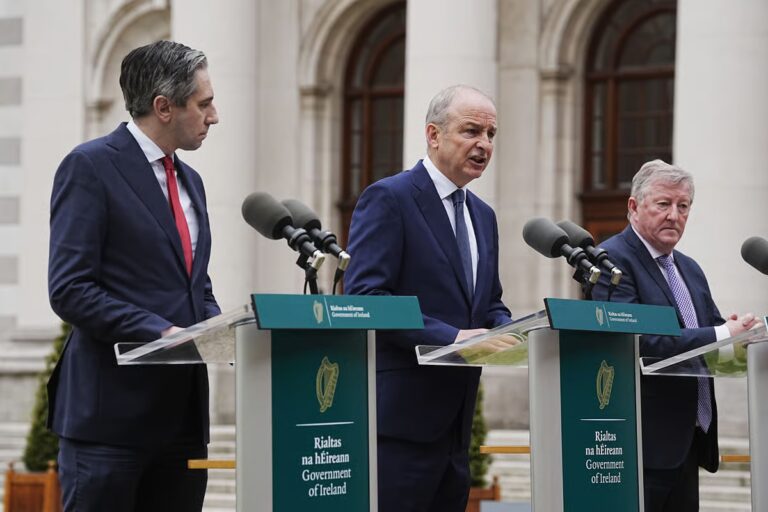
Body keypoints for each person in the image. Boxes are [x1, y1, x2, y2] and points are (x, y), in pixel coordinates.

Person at [47, 40, 220, 512]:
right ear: (164, 107)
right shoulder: (90, 166)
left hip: (183, 424)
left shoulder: (192, 181)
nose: (214, 116)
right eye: (203, 104)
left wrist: (217, 325)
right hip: (110, 424)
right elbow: (70, 289)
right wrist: (160, 332)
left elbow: (193, 281)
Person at [344, 85, 513, 512]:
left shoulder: (483, 216)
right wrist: (451, 337)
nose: (484, 144)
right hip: (399, 428)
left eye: (491, 134)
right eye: (471, 131)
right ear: (433, 135)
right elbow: (366, 298)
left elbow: (489, 302)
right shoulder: (390, 198)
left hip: (457, 430)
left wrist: (511, 331)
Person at [592, 159, 758, 511]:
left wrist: (740, 337)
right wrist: (720, 333)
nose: (674, 215)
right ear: (634, 206)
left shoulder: (689, 268)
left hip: (689, 439)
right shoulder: (612, 262)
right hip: (642, 443)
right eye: (663, 204)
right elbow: (638, 341)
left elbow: (709, 330)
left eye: (683, 206)